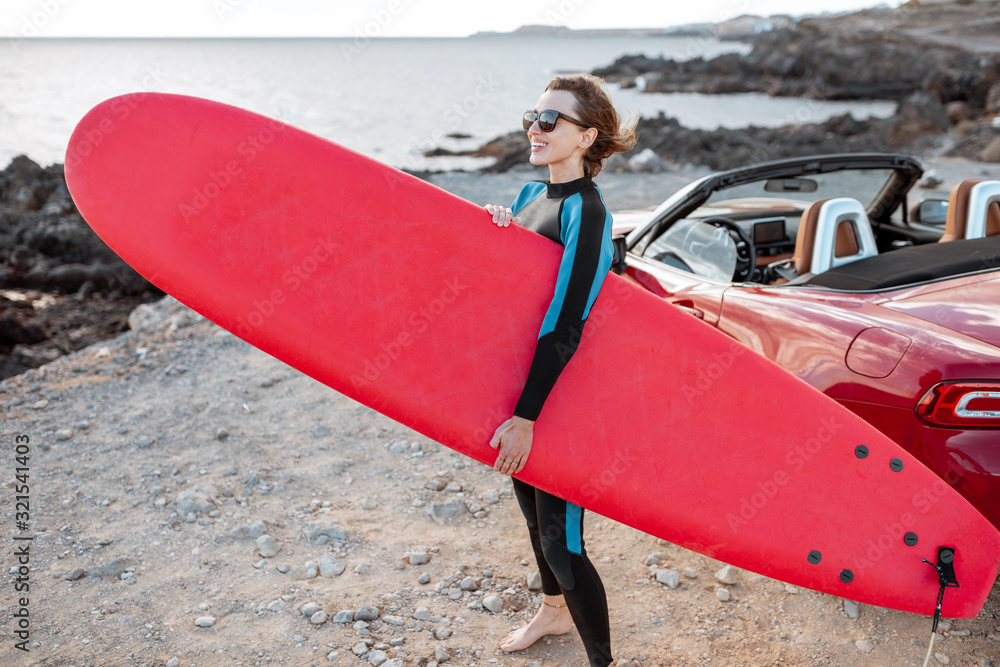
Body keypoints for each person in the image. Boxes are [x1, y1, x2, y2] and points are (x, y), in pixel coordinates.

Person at [483, 73, 637, 667]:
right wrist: (496, 231)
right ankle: (552, 613)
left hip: (562, 398)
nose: (534, 128)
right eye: (532, 116)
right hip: (524, 383)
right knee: (531, 512)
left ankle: (603, 662)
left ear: (586, 136)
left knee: (562, 541)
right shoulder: (528, 197)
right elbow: (508, 293)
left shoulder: (589, 215)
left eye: (550, 121)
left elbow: (565, 322)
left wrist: (525, 416)